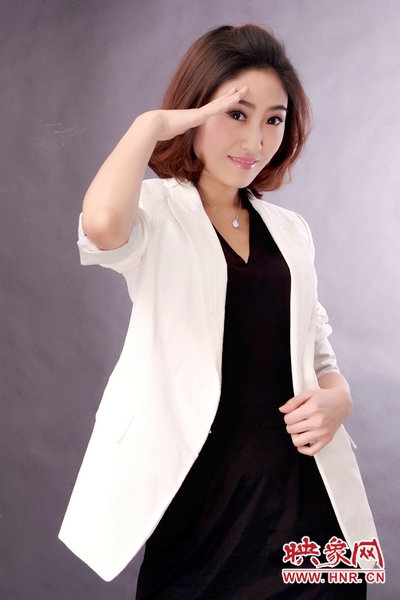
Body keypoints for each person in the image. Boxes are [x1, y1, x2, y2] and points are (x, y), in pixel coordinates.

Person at [59, 24, 377, 599]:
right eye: (236, 113)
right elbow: (102, 227)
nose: (255, 140)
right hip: (200, 494)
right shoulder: (154, 211)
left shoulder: (290, 229)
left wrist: (340, 398)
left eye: (273, 120)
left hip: (300, 490)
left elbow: (316, 348)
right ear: (195, 112)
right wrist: (150, 125)